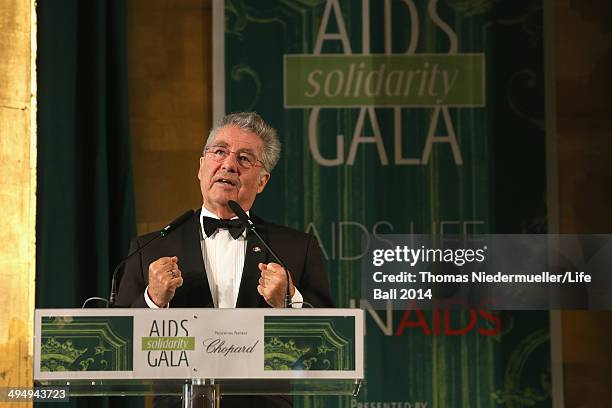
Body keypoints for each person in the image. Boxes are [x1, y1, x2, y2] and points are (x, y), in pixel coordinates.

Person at [116, 112, 334, 407]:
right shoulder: (150, 249)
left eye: (244, 159)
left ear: (262, 181)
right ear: (201, 166)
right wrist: (153, 300)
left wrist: (289, 300)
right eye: (219, 152)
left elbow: (328, 347)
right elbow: (119, 348)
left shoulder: (296, 248)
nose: (229, 164)